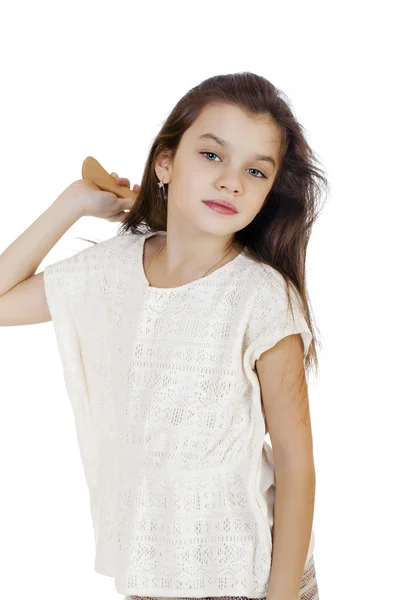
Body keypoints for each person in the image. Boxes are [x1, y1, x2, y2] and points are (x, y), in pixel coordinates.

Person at [0, 72, 328, 599]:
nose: (232, 182)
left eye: (256, 170)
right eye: (212, 156)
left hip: (245, 579)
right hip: (149, 574)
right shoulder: (112, 270)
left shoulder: (261, 297)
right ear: (165, 163)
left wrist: (282, 596)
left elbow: (294, 461)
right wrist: (72, 204)